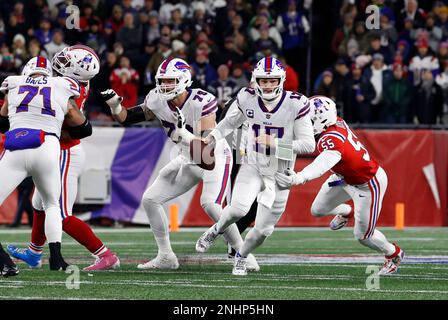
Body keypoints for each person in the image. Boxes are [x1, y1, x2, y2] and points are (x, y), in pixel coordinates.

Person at [101, 57, 259, 271]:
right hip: (187, 156)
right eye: (163, 81)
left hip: (215, 156)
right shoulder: (156, 99)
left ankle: (243, 253)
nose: (165, 86)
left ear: (184, 80)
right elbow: (126, 117)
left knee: (210, 204)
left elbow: (206, 153)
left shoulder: (202, 100)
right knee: (150, 199)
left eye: (171, 81)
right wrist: (115, 106)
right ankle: (166, 255)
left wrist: (183, 134)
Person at [196, 56, 315, 276]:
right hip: (253, 164)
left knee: (262, 230)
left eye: (272, 81)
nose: (267, 85)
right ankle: (214, 231)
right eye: (263, 80)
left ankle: (240, 256)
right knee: (239, 208)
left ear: (281, 80)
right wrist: (211, 138)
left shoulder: (296, 103)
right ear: (255, 80)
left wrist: (276, 144)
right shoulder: (246, 97)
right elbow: (230, 122)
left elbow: (308, 145)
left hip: (281, 173)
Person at [7, 46, 120, 271]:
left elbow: (70, 123)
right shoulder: (68, 83)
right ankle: (34, 252)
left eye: (68, 61)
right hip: (54, 150)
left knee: (60, 213)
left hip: (65, 151)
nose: (61, 60)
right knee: (38, 203)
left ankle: (106, 255)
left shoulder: (70, 88)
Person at [275, 96, 404, 275]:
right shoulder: (335, 123)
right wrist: (275, 146)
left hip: (368, 184)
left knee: (363, 236)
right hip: (343, 177)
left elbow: (322, 163)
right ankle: (347, 212)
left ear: (321, 120)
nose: (304, 122)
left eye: (308, 119)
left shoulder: (330, 138)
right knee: (317, 210)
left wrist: (299, 177)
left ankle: (393, 253)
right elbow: (306, 146)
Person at [0, 56, 92, 270]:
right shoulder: (62, 84)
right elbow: (83, 127)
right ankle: (56, 258)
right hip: (48, 145)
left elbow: (2, 119)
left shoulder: (13, 82)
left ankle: (3, 260)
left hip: (17, 145)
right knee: (52, 204)